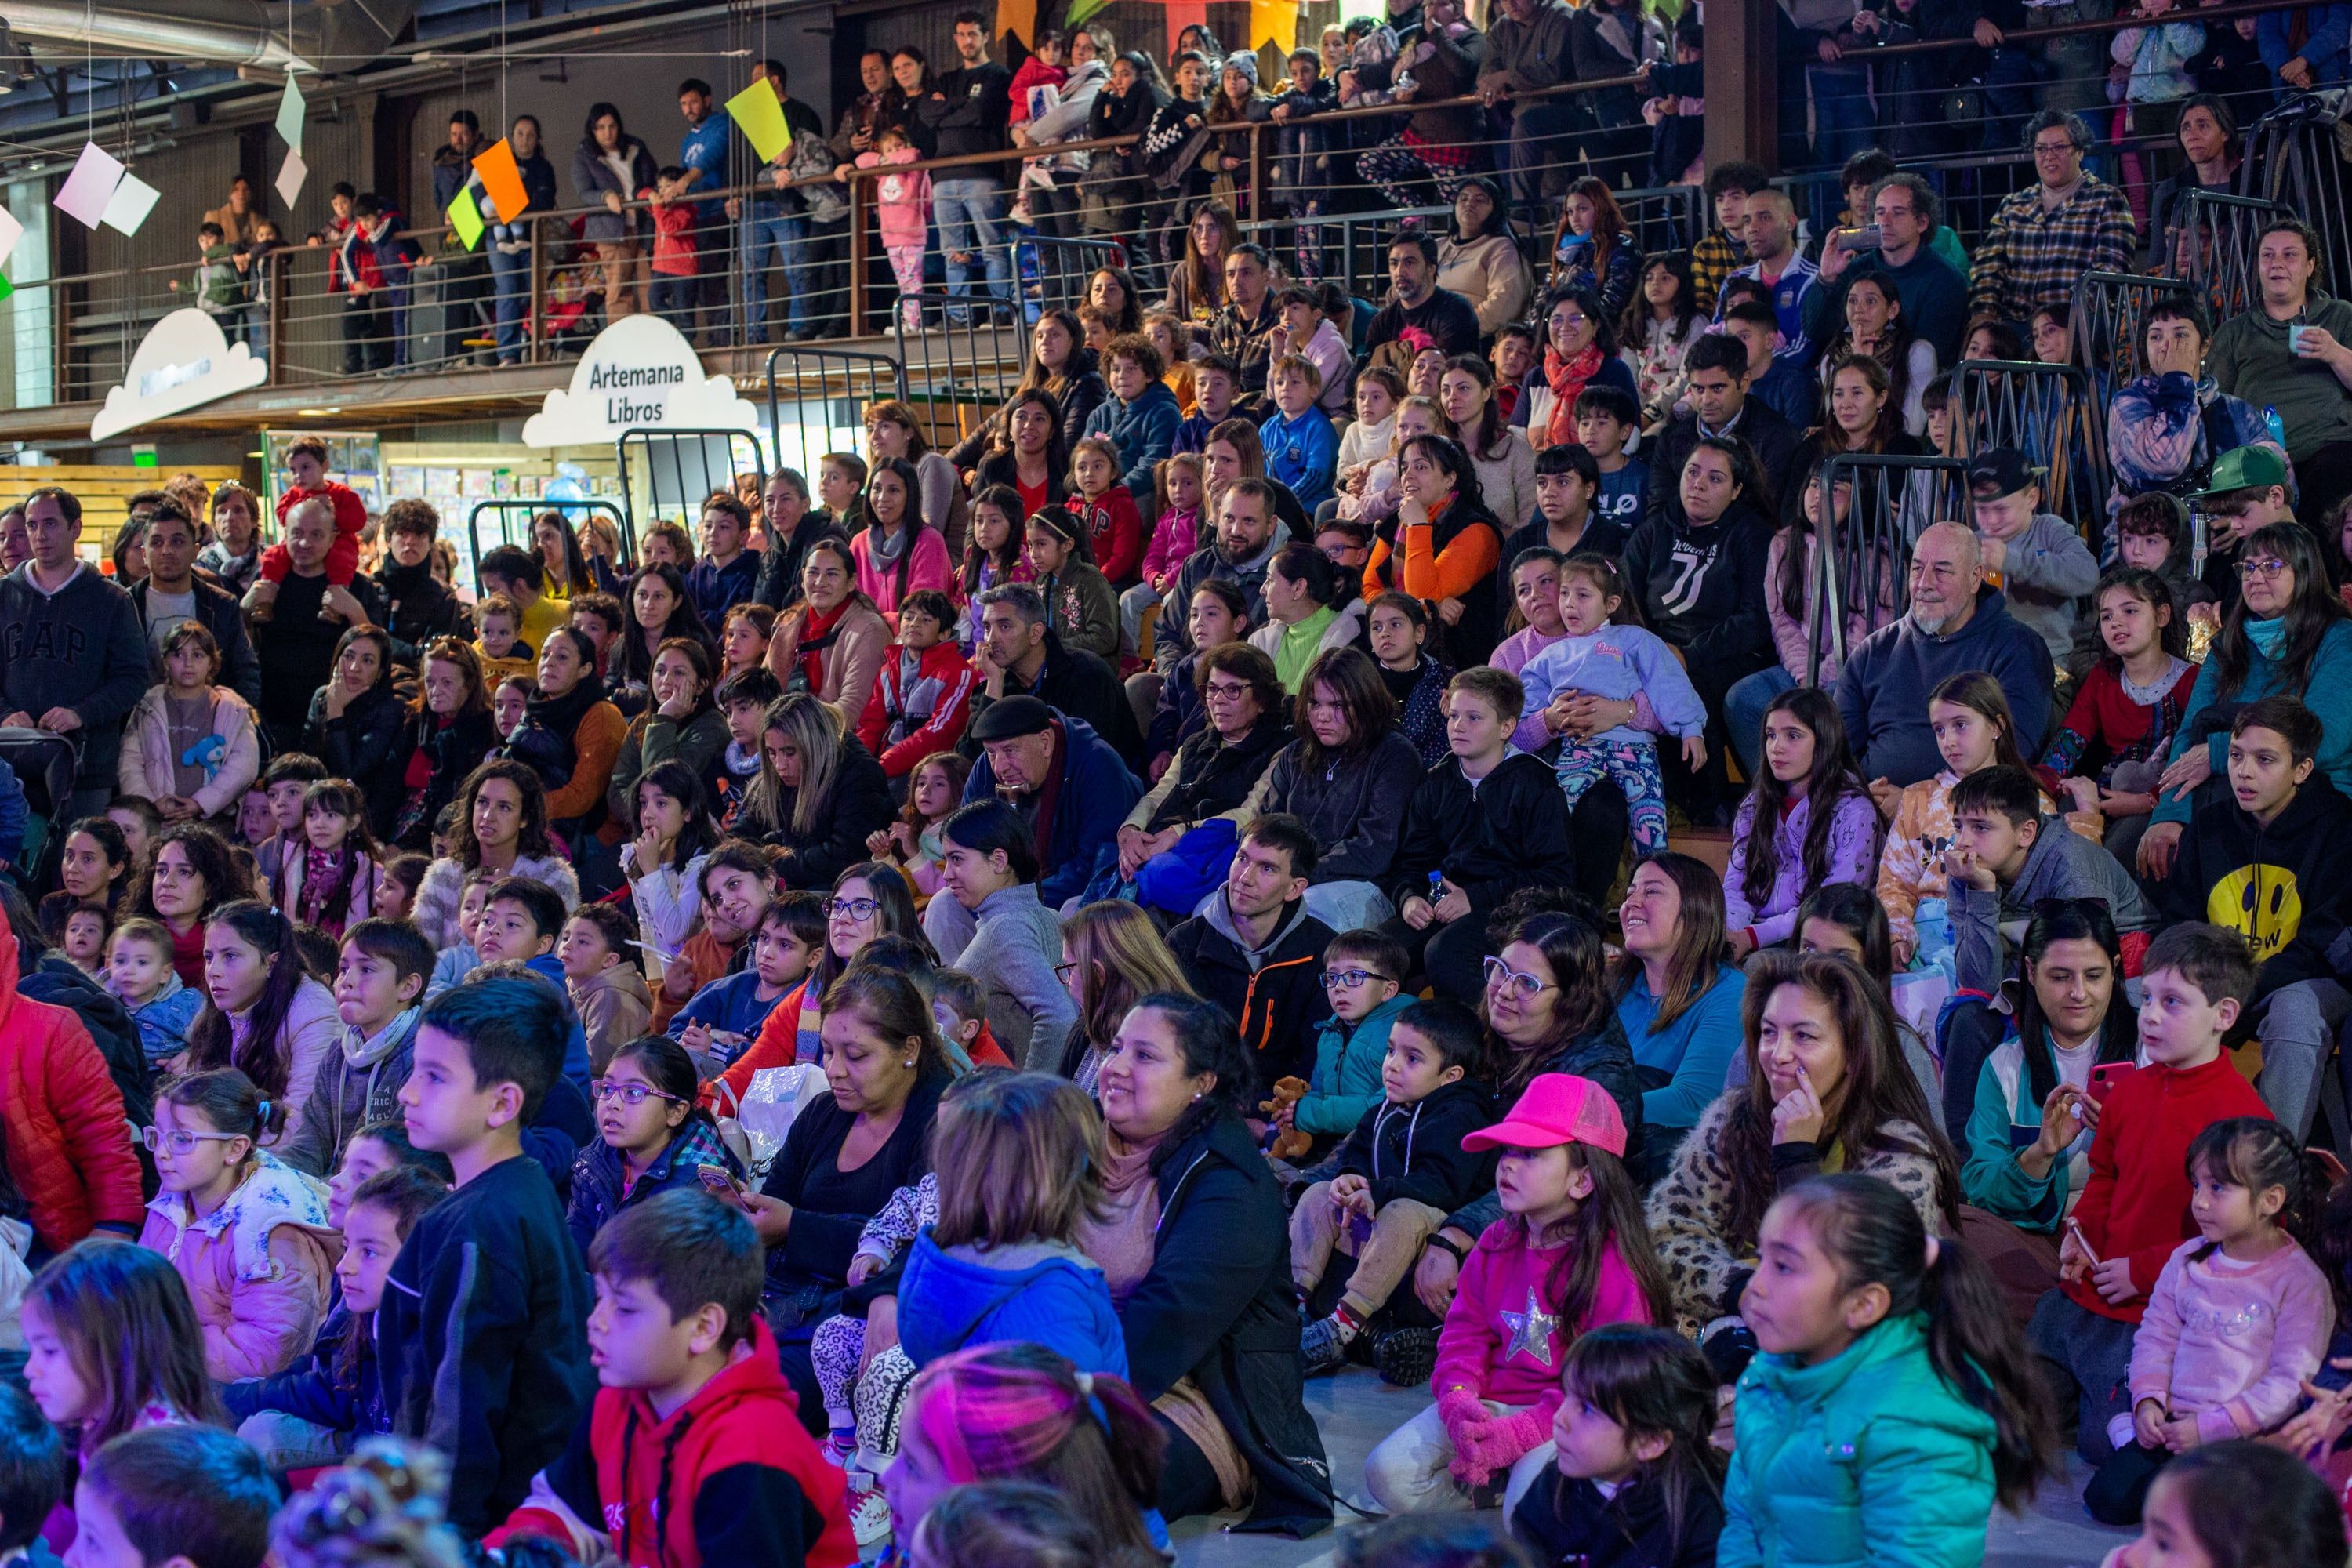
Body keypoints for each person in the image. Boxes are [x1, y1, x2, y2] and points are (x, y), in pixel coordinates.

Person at [1365, 1072, 1668, 1518]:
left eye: (1530, 1154)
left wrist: (1520, 1435)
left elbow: (1604, 1389)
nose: (1507, 1164)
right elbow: (1463, 1334)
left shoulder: (1614, 1266)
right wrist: (1458, 1401)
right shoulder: (1494, 1241)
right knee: (1385, 1475)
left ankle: (1520, 1484)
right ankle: (1494, 1484)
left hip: (1568, 1418)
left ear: (1583, 1180)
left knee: (1527, 1511)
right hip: (1489, 1408)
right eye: (1507, 1150)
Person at [1083, 991, 1333, 1530]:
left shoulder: (1231, 1185)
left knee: (1071, 1476)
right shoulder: (1072, 1138)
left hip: (1195, 1400)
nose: (1116, 1068)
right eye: (1117, 1048)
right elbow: (979, 1217)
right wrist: (889, 1294)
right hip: (1069, 1362)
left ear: (1202, 1084)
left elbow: (1167, 1319)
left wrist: (1051, 1392)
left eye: (1145, 1057)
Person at [2026, 924, 2274, 1465]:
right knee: (2015, 1408)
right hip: (2087, 1295)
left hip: (2155, 1314)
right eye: (2147, 999)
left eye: (2173, 1002)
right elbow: (2105, 1175)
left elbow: (2236, 1242)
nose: (2152, 1016)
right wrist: (2080, 1232)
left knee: (2103, 1447)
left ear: (2224, 1016)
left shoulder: (2243, 1120)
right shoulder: (2128, 1094)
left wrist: (2142, 1271)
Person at [1724, 1174, 2058, 1566]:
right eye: (1760, 1258)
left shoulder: (1918, 1426)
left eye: (1783, 1266)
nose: (1755, 1285)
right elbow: (1744, 1525)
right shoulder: (1769, 1377)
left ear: (1864, 1305)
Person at [1646, 949, 1957, 1354]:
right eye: (1769, 1032)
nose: (1777, 1054)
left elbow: (1852, 1287)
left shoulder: (1901, 1152)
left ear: (1853, 1054)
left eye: (1804, 1036)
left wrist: (1796, 1157)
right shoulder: (1734, 1118)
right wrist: (1739, 1290)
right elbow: (1665, 1233)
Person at [375, 981, 593, 1534]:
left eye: (435, 1076)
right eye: (414, 1070)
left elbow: (460, 1409)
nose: (407, 1093)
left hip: (474, 1522)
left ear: (502, 1103)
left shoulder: (478, 1229)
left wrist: (436, 1538)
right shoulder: (516, 1191)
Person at [2078, 1117, 2331, 1525]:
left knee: (2214, 1517)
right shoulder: (2186, 1259)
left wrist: (2213, 1427)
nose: (2200, 1201)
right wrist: (2148, 1400)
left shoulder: (2300, 1282)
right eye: (2197, 1185)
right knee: (2106, 1499)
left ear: (2270, 1200)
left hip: (2247, 1436)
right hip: (2176, 1428)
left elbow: (2289, 1381)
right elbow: (2156, 1336)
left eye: (2218, 1188)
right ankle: (2139, 1439)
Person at [741, 966, 952, 1433]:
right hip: (779, 1300)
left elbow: (919, 1245)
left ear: (910, 1051)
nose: (834, 1069)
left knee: (745, 1404)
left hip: (850, 1323)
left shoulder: (941, 1127)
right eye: (829, 1050)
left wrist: (795, 1227)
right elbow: (776, 1200)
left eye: (855, 1055)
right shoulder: (823, 1111)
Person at [2154, 698, 2352, 1140]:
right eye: (2237, 755)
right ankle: (2159, 1153)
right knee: (2145, 993)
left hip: (2308, 979)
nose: (2244, 772)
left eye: (2265, 760)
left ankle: (2273, 1170)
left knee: (2295, 1011)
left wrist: (2241, 988)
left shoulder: (2338, 826)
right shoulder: (2209, 826)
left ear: (2301, 770)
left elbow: (2325, 939)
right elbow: (2179, 922)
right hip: (2225, 982)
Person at [1388, 669, 1575, 1004]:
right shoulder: (1436, 782)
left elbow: (1555, 878)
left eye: (1474, 718)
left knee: (1446, 954)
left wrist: (1474, 898)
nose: (1458, 726)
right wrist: (1409, 898)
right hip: (1439, 908)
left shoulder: (1535, 785)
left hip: (1509, 912)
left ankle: (1499, 1039)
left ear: (1506, 728)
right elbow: (1412, 860)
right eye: (1454, 716)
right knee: (1374, 953)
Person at [136, 1067, 336, 1381]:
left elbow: (263, 1353)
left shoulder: (269, 1229)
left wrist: (151, 1346)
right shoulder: (173, 1200)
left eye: (181, 1138)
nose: (161, 1153)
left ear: (234, 1149)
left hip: (235, 1394)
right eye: (158, 1136)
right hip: (173, 1367)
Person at [1835, 522, 2058, 790]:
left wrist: (1917, 802)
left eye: (1941, 571)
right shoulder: (1872, 651)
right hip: (1868, 811)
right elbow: (1838, 753)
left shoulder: (2019, 649)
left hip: (1969, 816)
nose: (1924, 584)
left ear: (1975, 578)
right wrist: (1864, 800)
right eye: (1917, 569)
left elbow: (2011, 758)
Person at [1519, 554, 1708, 855]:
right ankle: (1545, 888)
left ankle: (1652, 889)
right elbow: (1525, 701)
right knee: (1550, 816)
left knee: (1650, 829)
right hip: (1579, 749)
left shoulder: (1634, 639)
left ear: (1611, 604)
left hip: (1636, 752)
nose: (1570, 604)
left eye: (1583, 595)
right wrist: (1549, 717)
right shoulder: (1553, 655)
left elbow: (1668, 681)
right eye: (1565, 594)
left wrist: (1691, 727)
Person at [1508, 1324, 1726, 1568]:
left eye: (1587, 1409)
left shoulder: (1699, 1514)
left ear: (1650, 1441)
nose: (1560, 1418)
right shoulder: (1551, 1488)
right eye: (1566, 1395)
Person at [0, 485, 151, 820]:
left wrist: (81, 713)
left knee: (78, 862)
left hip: (86, 765)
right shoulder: (4, 595)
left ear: (75, 528)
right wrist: (4, 713)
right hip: (9, 759)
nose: (40, 534)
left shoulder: (111, 599)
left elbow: (133, 678)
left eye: (51, 524)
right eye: (32, 525)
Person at [1610, 855, 1747, 1181]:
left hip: (1671, 1162)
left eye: (1652, 892)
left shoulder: (1729, 991)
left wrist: (1586, 1114)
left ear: (1696, 911)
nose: (1632, 903)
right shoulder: (1617, 986)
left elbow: (1692, 1101)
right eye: (1630, 892)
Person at [2208, 218, 2352, 517]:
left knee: (2334, 475)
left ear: (2310, 266)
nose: (2277, 263)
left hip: (2329, 448)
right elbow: (2213, 409)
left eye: (2290, 255)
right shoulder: (2235, 332)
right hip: (2259, 459)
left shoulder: (2340, 316)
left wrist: (2335, 353)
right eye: (2268, 255)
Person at [922, 800, 1080, 1070]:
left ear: (999, 861)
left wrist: (1029, 1096)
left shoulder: (1005, 928)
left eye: (957, 859)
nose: (947, 875)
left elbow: (1060, 1016)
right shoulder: (1048, 917)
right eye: (945, 861)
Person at [1722, 689, 1878, 958]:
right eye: (1771, 735)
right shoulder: (1754, 806)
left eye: (1793, 735)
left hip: (1820, 939)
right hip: (1750, 932)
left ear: (1824, 741)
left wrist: (1752, 937)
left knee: (1760, 968)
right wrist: (1726, 935)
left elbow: (1834, 903)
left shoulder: (1855, 811)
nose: (1776, 747)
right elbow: (1735, 886)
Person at [1966, 111, 2138, 328]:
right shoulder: (2013, 205)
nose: (2049, 156)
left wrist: (2066, 321)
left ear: (2080, 151)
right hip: (2012, 326)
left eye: (2059, 147)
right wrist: (1984, 316)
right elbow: (1988, 268)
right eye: (2041, 149)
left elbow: (2112, 272)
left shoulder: (2106, 200)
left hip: (2075, 326)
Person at [966, 581, 1145, 768]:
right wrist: (994, 682)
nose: (991, 639)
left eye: (1004, 627)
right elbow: (969, 761)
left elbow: (1090, 759)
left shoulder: (1087, 675)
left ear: (1035, 633)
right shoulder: (997, 679)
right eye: (987, 628)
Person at [410, 760, 581, 951]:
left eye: (504, 807)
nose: (488, 816)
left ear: (525, 818)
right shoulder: (443, 875)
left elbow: (560, 961)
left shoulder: (554, 878)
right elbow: (419, 957)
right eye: (482, 802)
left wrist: (517, 896)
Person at [116, 621, 261, 833]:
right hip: (158, 823)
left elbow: (244, 765)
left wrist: (201, 802)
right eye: (178, 654)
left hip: (214, 824)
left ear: (212, 662)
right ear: (165, 661)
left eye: (198, 655)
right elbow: (129, 762)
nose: (188, 663)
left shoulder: (232, 709)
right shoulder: (147, 707)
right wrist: (149, 806)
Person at [920, 12, 1016, 311]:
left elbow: (983, 113)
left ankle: (1002, 311)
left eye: (973, 34)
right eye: (961, 35)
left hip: (982, 175)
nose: (967, 41)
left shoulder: (998, 75)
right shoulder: (947, 78)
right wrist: (962, 105)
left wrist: (948, 109)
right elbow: (927, 114)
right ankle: (959, 316)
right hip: (944, 177)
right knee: (952, 252)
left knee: (992, 248)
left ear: (986, 36)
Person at [127, 499, 261, 706]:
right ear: (144, 554)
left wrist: (233, 720)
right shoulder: (124, 605)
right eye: (157, 542)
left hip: (211, 722)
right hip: (140, 725)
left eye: (178, 542)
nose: (166, 550)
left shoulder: (222, 605)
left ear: (196, 551)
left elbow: (245, 671)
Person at [1364, 233, 1484, 378]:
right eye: (1394, 263)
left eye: (1410, 262)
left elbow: (1451, 377)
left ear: (1431, 268)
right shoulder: (1381, 323)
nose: (1399, 272)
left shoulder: (1456, 311)